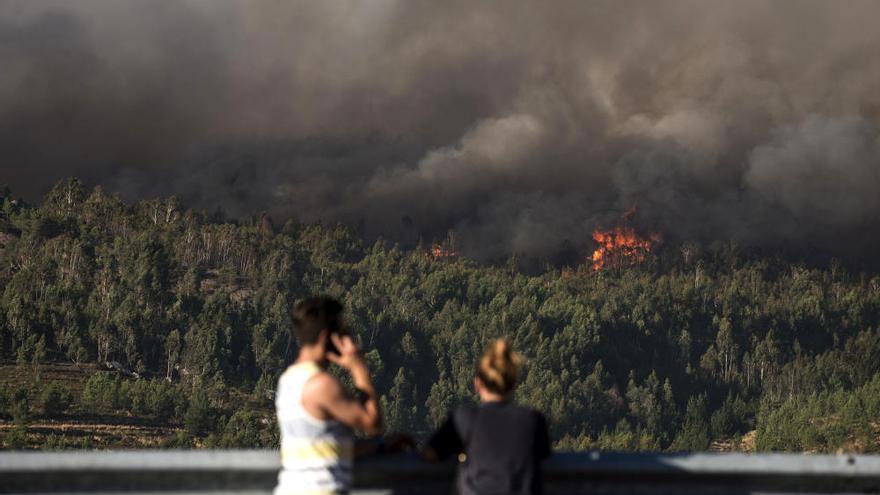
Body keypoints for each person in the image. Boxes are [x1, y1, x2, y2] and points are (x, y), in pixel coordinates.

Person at [274, 296, 384, 495]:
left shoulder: (287, 380)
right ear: (327, 338)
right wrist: (359, 368)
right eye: (342, 333)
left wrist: (379, 446)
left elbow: (321, 449)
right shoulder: (322, 385)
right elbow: (373, 424)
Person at [424, 339, 551, 495]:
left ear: (478, 384)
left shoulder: (464, 419)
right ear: (513, 383)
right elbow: (543, 454)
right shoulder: (532, 420)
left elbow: (431, 453)